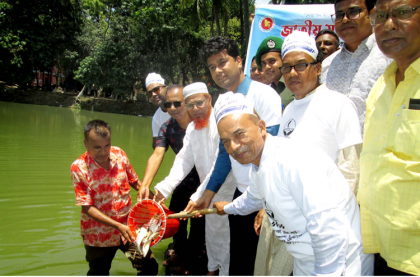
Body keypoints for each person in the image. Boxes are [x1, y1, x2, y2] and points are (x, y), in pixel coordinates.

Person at [212, 92, 374, 275]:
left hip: (341, 263)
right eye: (226, 141)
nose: (233, 146)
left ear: (261, 128)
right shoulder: (259, 165)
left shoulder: (293, 160)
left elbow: (327, 229)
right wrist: (226, 208)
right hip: (306, 262)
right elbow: (252, 199)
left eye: (239, 134)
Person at [191, 36, 283, 275]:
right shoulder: (223, 101)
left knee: (263, 266)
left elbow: (272, 150)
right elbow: (225, 155)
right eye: (212, 67)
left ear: (239, 61)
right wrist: (207, 195)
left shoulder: (264, 95)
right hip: (243, 195)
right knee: (240, 264)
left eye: (222, 62)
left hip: (266, 197)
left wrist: (267, 202)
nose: (217, 71)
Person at [358, 0, 420, 274]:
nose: (389, 24)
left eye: (403, 12)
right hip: (382, 245)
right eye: (380, 16)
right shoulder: (382, 84)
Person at [153, 82, 236, 276]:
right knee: (213, 237)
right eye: (190, 105)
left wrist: (198, 195)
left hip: (228, 193)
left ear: (208, 99)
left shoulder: (221, 124)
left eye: (199, 103)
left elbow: (219, 165)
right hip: (208, 195)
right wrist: (164, 188)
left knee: (229, 241)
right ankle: (212, 270)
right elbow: (184, 160)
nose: (195, 109)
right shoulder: (192, 128)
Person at [70, 120, 158, 276]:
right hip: (98, 235)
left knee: (149, 266)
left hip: (129, 227)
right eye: (97, 147)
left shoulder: (119, 154)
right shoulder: (79, 167)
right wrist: (117, 226)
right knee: (99, 272)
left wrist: (154, 201)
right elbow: (87, 207)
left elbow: (135, 182)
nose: (104, 152)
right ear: (86, 143)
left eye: (107, 145)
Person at [137, 85, 206, 274]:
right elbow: (157, 154)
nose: (173, 108)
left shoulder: (203, 124)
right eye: (169, 104)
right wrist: (145, 184)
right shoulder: (167, 127)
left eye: (178, 103)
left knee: (200, 224)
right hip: (182, 182)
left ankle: (195, 255)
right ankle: (180, 251)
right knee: (176, 218)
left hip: (206, 184)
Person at [321, 0, 392, 134]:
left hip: (377, 149)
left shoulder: (389, 56)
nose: (345, 19)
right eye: (339, 15)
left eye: (353, 12)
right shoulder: (327, 65)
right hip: (335, 151)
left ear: (372, 15)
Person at [255, 36, 295, 108]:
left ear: (284, 61)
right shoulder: (267, 92)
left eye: (272, 61)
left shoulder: (295, 85)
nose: (267, 67)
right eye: (263, 63)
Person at [145, 73, 171, 148]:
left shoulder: (181, 105)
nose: (153, 94)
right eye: (149, 93)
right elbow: (158, 148)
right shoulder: (157, 119)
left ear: (166, 88)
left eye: (156, 89)